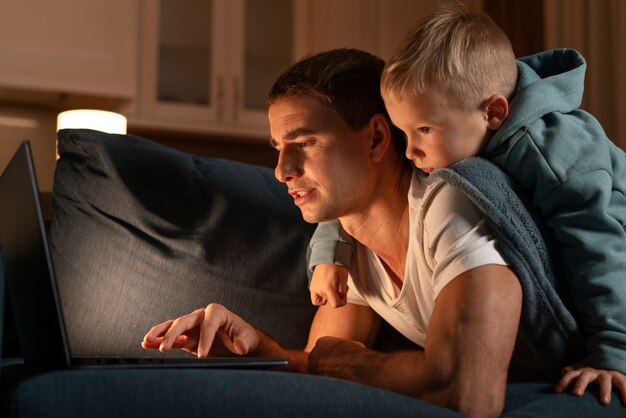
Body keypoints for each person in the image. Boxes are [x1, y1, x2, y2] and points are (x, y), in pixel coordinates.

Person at [142, 48, 526, 418]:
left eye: (305, 142)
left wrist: (355, 364)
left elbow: (471, 395)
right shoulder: (347, 245)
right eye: (278, 148)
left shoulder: (450, 205)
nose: (282, 170)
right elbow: (320, 365)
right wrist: (253, 348)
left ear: (376, 138)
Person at [307, 4, 626, 404]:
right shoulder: (455, 130)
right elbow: (359, 189)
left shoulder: (554, 156)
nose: (409, 152)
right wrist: (329, 253)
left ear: (494, 112)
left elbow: (600, 247)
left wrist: (612, 352)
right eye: (404, 133)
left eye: (423, 130)